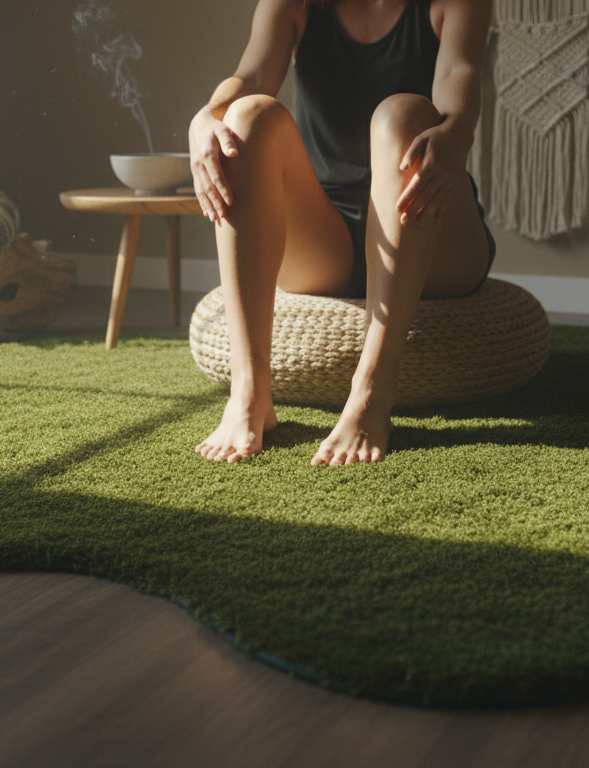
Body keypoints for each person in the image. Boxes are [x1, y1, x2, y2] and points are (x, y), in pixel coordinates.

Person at [189, 0, 494, 465]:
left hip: (429, 233)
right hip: (326, 244)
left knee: (402, 113)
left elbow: (460, 73)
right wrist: (203, 118)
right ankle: (249, 393)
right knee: (245, 116)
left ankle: (372, 389)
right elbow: (250, 77)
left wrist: (457, 131)